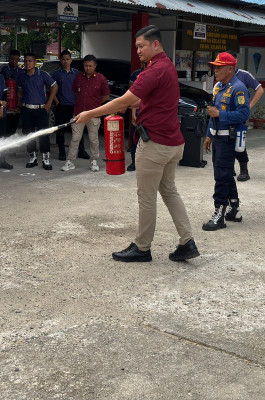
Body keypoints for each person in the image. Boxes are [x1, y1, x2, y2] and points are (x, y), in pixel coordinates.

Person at [75, 25, 199, 263]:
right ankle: (187, 241)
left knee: (147, 196)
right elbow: (145, 100)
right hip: (173, 143)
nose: (138, 51)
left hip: (155, 145)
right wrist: (130, 104)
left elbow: (125, 99)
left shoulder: (154, 70)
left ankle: (142, 248)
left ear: (156, 44)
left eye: (141, 46)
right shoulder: (167, 67)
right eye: (137, 47)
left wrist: (90, 113)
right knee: (170, 191)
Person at [202, 52, 251, 231]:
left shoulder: (239, 88)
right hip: (218, 137)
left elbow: (244, 114)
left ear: (230, 69)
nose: (216, 70)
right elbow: (212, 113)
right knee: (226, 172)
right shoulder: (218, 87)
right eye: (215, 67)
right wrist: (209, 134)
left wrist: (220, 114)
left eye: (219, 67)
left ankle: (219, 215)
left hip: (228, 138)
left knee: (221, 176)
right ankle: (234, 209)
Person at [61, 54, 109, 172]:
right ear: (83, 65)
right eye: (86, 65)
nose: (88, 68)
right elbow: (75, 92)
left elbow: (106, 95)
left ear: (95, 66)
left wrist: (96, 104)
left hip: (94, 114)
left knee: (93, 139)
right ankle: (70, 161)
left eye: (90, 66)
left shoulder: (101, 79)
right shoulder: (78, 77)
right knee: (75, 138)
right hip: (78, 113)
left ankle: (94, 161)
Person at [17, 52, 58, 169]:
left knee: (44, 134)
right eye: (25, 61)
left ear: (35, 62)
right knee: (28, 135)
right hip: (27, 110)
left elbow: (55, 86)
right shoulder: (22, 76)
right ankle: (32, 157)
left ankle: (46, 159)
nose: (27, 63)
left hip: (40, 109)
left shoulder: (43, 74)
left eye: (30, 61)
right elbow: (19, 91)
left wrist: (49, 102)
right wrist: (20, 103)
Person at [233, 63, 264, 182]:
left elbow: (260, 89)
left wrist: (249, 106)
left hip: (240, 116)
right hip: (226, 116)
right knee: (226, 140)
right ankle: (230, 168)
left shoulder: (244, 75)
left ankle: (244, 170)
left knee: (239, 143)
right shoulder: (223, 77)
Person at [52, 50, 80, 161]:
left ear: (71, 60)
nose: (65, 61)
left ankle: (81, 150)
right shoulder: (56, 73)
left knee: (77, 129)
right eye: (63, 59)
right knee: (61, 130)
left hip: (74, 105)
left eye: (67, 59)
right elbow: (52, 88)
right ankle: (62, 152)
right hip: (61, 105)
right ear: (60, 60)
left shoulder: (76, 73)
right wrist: (56, 101)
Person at [126, 61, 146, 171]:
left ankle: (144, 164)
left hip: (148, 114)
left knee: (147, 140)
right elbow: (133, 95)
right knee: (135, 139)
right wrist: (133, 114)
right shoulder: (136, 74)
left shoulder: (155, 75)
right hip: (137, 112)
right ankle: (134, 162)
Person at [1, 49, 23, 137]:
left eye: (16, 59)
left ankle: (10, 149)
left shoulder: (21, 72)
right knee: (5, 128)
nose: (14, 61)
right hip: (6, 102)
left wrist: (19, 105)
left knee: (13, 128)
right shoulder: (4, 70)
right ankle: (4, 148)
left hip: (17, 103)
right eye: (12, 59)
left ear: (19, 59)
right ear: (9, 58)